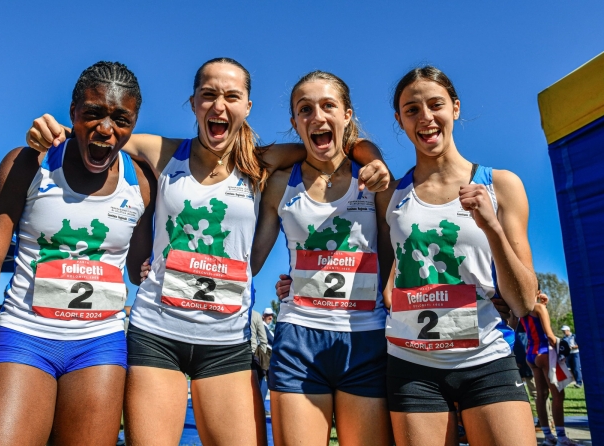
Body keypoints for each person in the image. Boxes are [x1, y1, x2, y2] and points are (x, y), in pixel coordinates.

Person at [28, 57, 390, 446]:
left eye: (232, 96)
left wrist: (373, 158)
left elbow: (338, 142)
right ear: (194, 102)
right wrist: (55, 130)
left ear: (247, 107)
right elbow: (103, 132)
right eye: (209, 95)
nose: (219, 106)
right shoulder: (166, 152)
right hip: (157, 332)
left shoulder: (260, 162)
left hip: (226, 342)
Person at [0, 61, 156, 446]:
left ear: (134, 123)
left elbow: (138, 272)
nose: (106, 129)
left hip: (99, 343)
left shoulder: (141, 182)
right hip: (25, 335)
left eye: (122, 119)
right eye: (93, 114)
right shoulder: (28, 164)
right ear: (73, 113)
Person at [376, 66, 539, 446]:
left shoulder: (500, 184)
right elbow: (387, 279)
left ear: (456, 108)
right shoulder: (391, 195)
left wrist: (492, 229)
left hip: (486, 359)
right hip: (411, 365)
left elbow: (525, 299)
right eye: (411, 109)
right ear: (399, 120)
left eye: (436, 105)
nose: (426, 118)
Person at [252, 71, 392, 446]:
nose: (317, 116)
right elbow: (249, 261)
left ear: (347, 114)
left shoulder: (374, 177)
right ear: (295, 122)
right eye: (305, 109)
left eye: (328, 106)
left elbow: (396, 254)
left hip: (366, 338)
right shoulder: (280, 183)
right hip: (298, 337)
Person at [521, 289, 577, 445]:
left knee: (541, 394)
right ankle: (562, 438)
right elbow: (550, 336)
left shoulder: (519, 310)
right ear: (537, 290)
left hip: (531, 353)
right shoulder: (538, 307)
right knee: (558, 394)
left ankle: (548, 436)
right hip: (545, 352)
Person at [250, 310, 269, 390]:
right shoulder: (255, 315)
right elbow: (264, 340)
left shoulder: (233, 312)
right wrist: (261, 356)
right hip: (252, 355)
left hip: (234, 354)